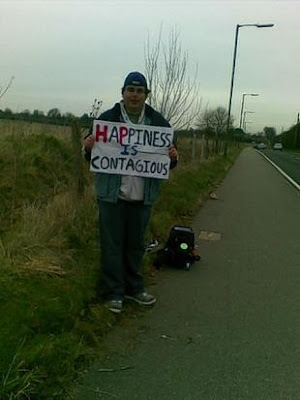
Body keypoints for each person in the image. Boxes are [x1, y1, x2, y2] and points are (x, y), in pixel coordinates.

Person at [83, 71, 178, 313]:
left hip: (143, 195)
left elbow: (167, 158)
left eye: (139, 91)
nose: (134, 95)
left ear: (146, 95)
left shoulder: (159, 123)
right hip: (111, 194)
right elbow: (93, 156)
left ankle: (134, 289)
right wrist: (89, 148)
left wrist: (173, 158)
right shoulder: (107, 118)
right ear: (122, 93)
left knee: (136, 244)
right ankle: (113, 292)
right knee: (112, 244)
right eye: (130, 90)